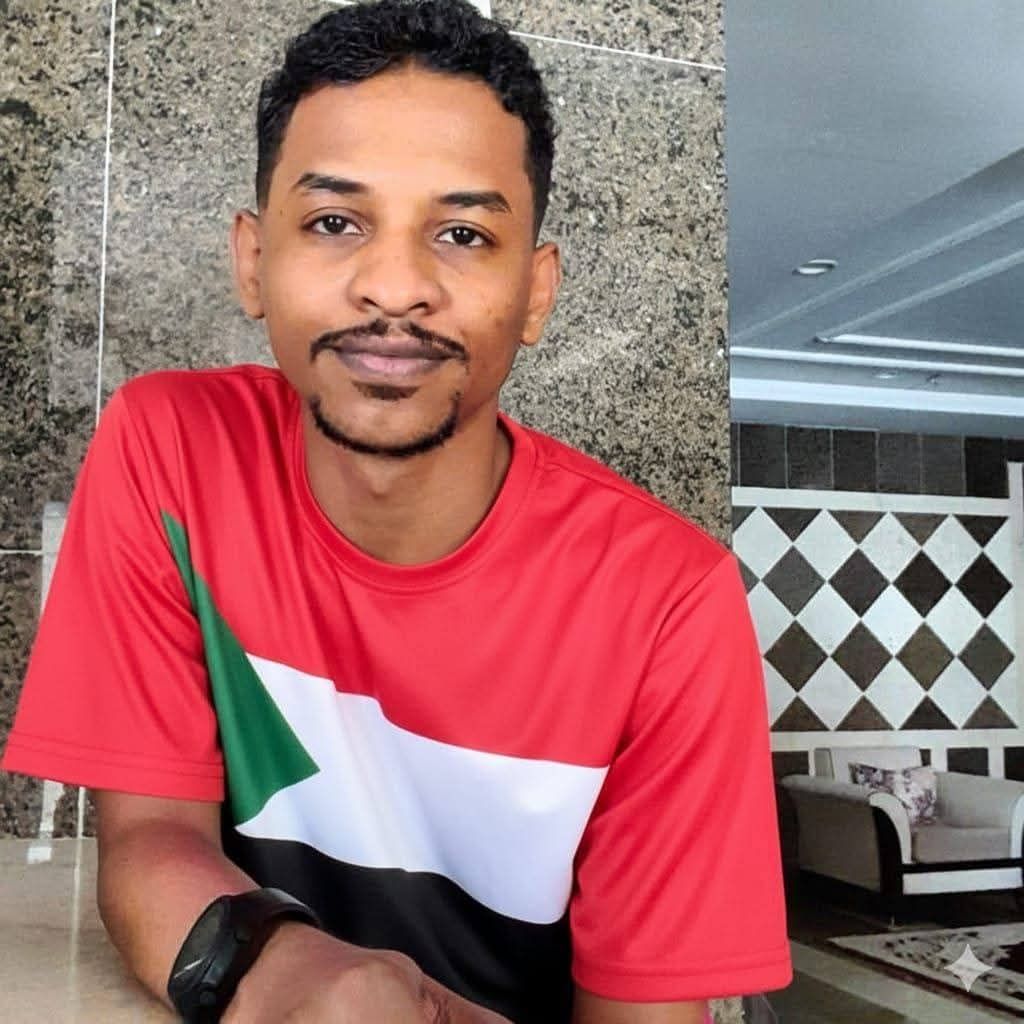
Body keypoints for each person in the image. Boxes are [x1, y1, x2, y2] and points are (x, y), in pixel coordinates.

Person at [1, 1, 792, 1021]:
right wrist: (296, 978)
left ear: (535, 290)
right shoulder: (170, 449)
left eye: (462, 233)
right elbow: (150, 836)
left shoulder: (669, 599)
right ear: (253, 260)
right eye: (335, 222)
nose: (394, 286)